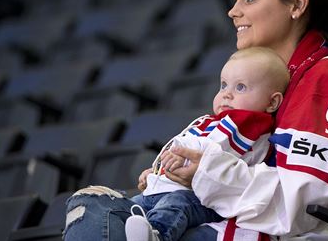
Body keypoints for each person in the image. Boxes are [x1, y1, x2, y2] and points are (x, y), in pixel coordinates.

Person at [64, 0, 328, 241]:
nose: (232, 11)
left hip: (290, 235)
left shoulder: (324, 78)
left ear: (297, 4)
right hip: (239, 224)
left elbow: (302, 208)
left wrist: (206, 173)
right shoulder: (274, 81)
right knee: (92, 208)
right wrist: (173, 177)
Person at [124, 47, 289, 241]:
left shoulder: (249, 124)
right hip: (165, 189)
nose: (227, 94)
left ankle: (158, 235)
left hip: (201, 199)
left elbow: (212, 154)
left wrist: (177, 161)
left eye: (240, 87)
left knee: (176, 204)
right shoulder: (213, 121)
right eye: (223, 86)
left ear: (272, 102)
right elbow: (182, 147)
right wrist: (156, 171)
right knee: (127, 205)